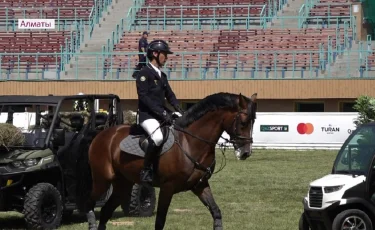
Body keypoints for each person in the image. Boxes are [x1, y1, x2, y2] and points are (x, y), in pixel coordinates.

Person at [136, 39, 184, 184]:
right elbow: (144, 98)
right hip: (148, 116)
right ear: (155, 54)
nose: (166, 57)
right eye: (164, 54)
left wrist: (178, 109)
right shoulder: (144, 73)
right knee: (157, 138)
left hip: (162, 114)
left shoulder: (162, 76)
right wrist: (162, 113)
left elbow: (170, 95)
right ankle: (146, 170)